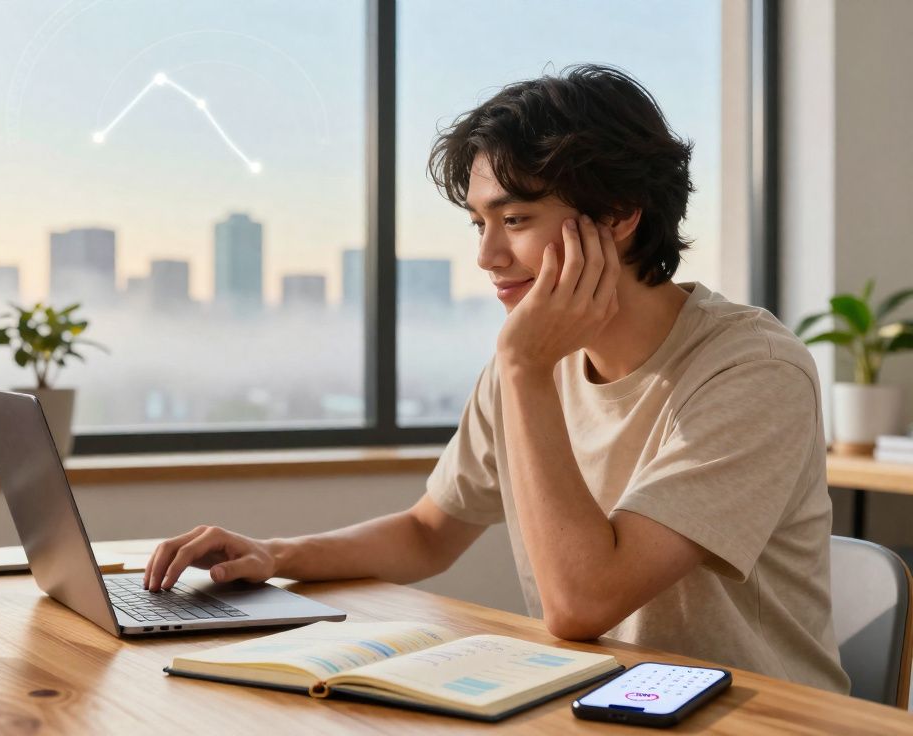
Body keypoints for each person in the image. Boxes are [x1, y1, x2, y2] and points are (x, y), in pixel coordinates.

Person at [143, 64, 848, 693]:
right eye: (478, 222)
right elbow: (429, 532)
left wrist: (525, 368)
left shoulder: (751, 368)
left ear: (620, 216)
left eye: (515, 219)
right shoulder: (533, 357)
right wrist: (276, 555)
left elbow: (580, 604)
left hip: (755, 718)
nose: (487, 255)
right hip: (599, 700)